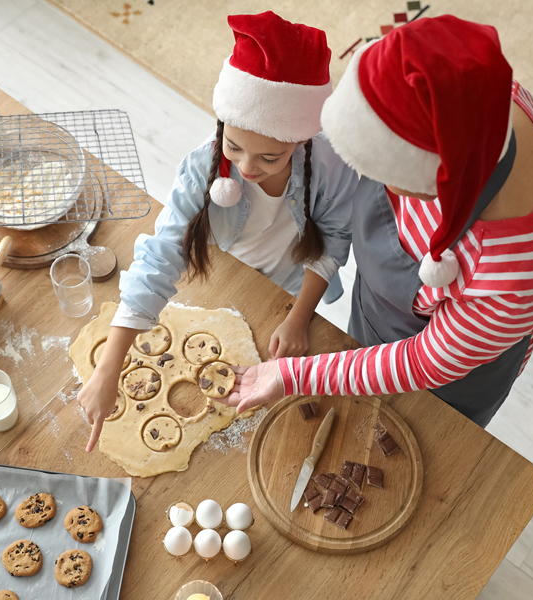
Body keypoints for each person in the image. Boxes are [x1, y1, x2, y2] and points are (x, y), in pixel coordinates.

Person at [223, 15, 533, 427]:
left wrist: (294, 375)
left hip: (442, 380)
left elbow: (424, 361)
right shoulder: (469, 89)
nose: (377, 188)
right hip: (379, 312)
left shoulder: (518, 273)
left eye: (388, 180)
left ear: (436, 189)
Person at [77, 11, 360, 451]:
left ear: (301, 142)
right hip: (226, 271)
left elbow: (336, 238)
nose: (247, 168)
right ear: (221, 126)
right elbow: (162, 255)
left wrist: (299, 316)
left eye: (270, 158)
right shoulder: (199, 168)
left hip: (289, 285)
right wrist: (110, 366)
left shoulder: (330, 167)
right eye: (234, 147)